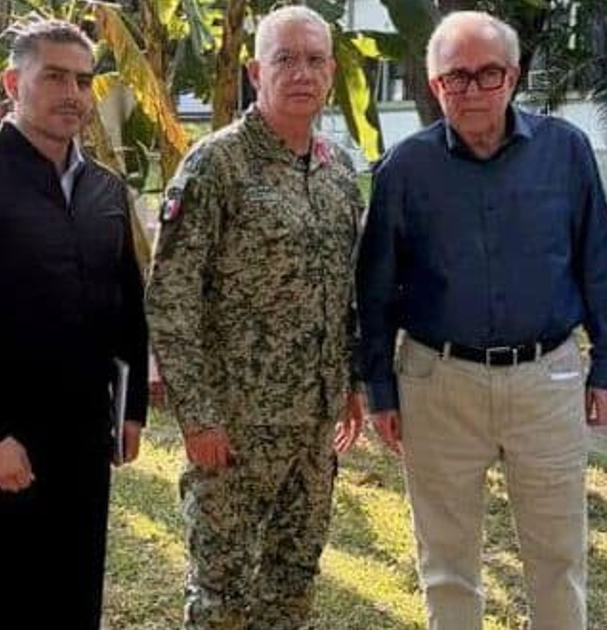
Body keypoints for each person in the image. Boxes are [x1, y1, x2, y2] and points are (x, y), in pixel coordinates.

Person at [356, 11, 607, 630]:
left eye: (488, 74)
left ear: (513, 76)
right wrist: (379, 388)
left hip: (546, 380)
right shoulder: (403, 169)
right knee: (446, 561)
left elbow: (598, 259)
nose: (473, 90)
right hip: (438, 383)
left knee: (558, 556)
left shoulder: (565, 152)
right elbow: (374, 290)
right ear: (435, 85)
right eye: (456, 77)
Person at [0, 19, 148, 630]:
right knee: (9, 592)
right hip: (8, 434)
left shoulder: (105, 191)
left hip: (87, 428)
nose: (73, 94)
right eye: (55, 77)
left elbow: (128, 303)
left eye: (84, 81)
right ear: (14, 83)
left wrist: (133, 411)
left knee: (77, 583)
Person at [145, 6, 366, 629]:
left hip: (313, 425)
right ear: (254, 71)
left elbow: (343, 289)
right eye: (285, 59)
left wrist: (348, 384)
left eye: (315, 60)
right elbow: (171, 297)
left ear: (330, 72)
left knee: (293, 580)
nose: (302, 73)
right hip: (236, 428)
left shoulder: (338, 171)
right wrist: (199, 416)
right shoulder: (216, 165)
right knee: (222, 594)